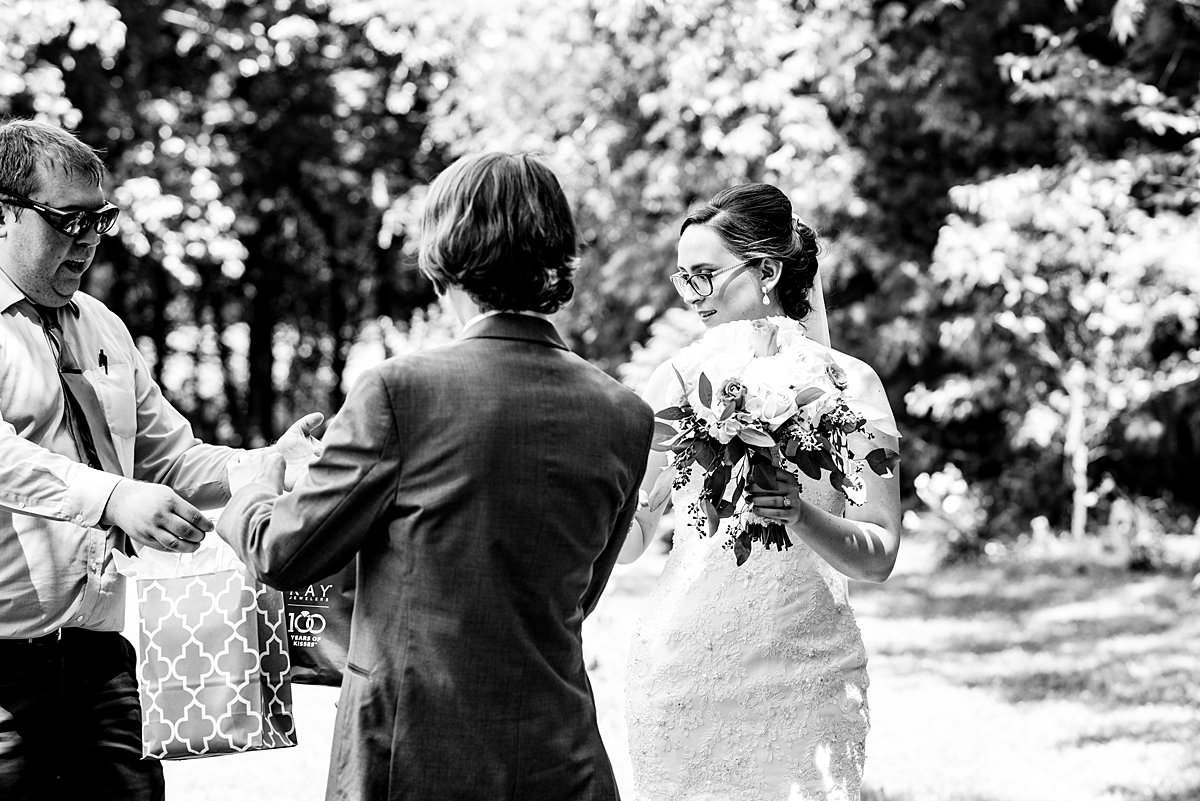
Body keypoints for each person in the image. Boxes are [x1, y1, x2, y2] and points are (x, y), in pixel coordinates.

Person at [217, 151, 654, 801]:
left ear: (444, 253)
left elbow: (284, 553)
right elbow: (578, 599)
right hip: (561, 761)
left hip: (415, 757)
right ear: (558, 256)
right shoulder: (625, 413)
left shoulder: (400, 391)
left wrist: (255, 485)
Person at [0, 118, 322, 801]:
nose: (88, 240)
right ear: (4, 215)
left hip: (102, 658)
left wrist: (271, 465)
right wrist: (114, 497)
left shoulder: (104, 326)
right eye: (68, 221)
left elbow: (174, 458)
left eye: (100, 219)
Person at [619, 183, 903, 801]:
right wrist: (578, 508)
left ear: (767, 270)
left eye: (705, 275)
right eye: (682, 278)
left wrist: (799, 514)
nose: (692, 296)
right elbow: (635, 535)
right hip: (680, 671)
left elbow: (879, 556)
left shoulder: (851, 386)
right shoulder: (672, 380)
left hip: (810, 673)